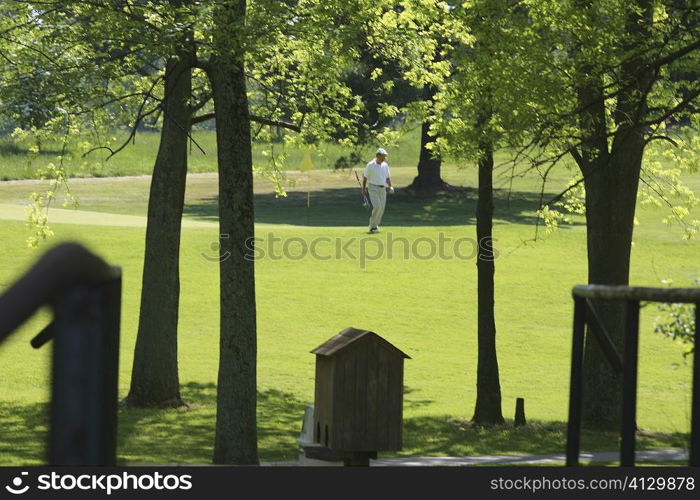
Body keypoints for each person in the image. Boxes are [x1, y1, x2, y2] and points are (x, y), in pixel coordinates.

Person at [362, 148, 394, 233]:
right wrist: (364, 188)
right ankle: (372, 226)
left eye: (385, 156)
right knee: (377, 206)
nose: (384, 158)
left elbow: (387, 177)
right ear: (378, 156)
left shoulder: (385, 165)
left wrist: (390, 186)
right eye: (383, 156)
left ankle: (375, 225)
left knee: (382, 208)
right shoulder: (370, 165)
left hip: (382, 188)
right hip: (372, 187)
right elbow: (365, 177)